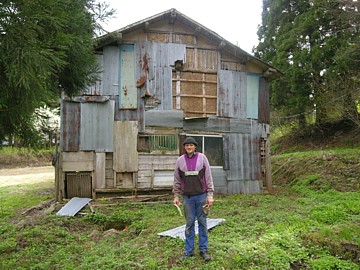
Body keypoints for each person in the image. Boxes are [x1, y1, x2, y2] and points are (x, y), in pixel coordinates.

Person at [172, 136, 215, 261]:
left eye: (191, 145)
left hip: (201, 196)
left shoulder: (202, 158)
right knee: (189, 224)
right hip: (187, 198)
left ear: (195, 146)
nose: (189, 147)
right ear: (184, 147)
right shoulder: (180, 161)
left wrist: (210, 195)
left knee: (202, 222)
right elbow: (177, 179)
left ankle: (203, 250)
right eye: (186, 145)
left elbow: (208, 176)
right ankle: (189, 251)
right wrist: (176, 196)